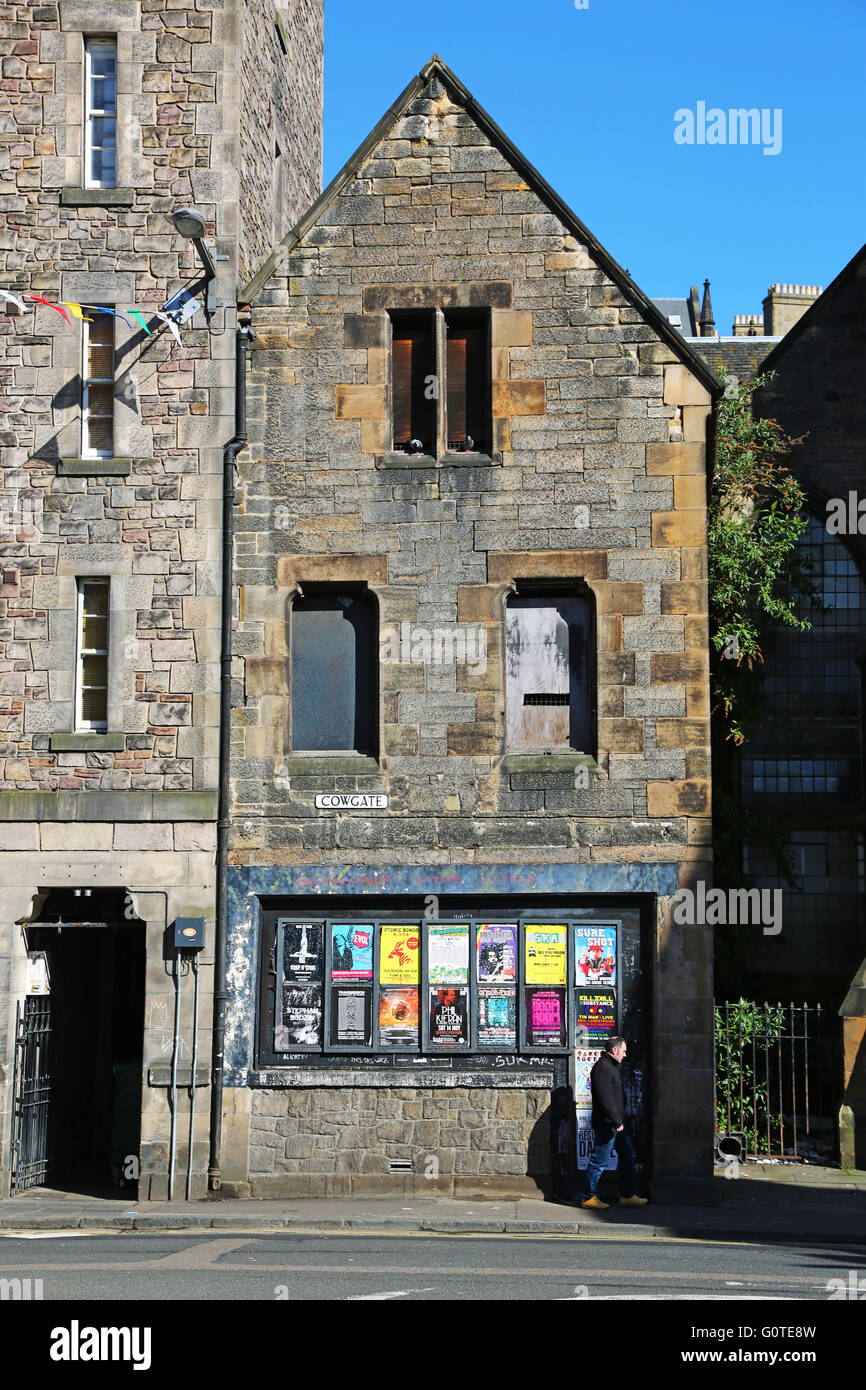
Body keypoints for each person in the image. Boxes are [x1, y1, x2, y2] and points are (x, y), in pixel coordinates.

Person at [580, 1036, 647, 1210]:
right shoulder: (603, 1068)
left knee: (628, 1156)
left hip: (616, 1124)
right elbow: (606, 1099)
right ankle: (588, 1197)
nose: (625, 1055)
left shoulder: (610, 1066)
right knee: (599, 1161)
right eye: (623, 1051)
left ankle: (626, 1195)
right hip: (608, 1124)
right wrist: (616, 1121)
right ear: (614, 1050)